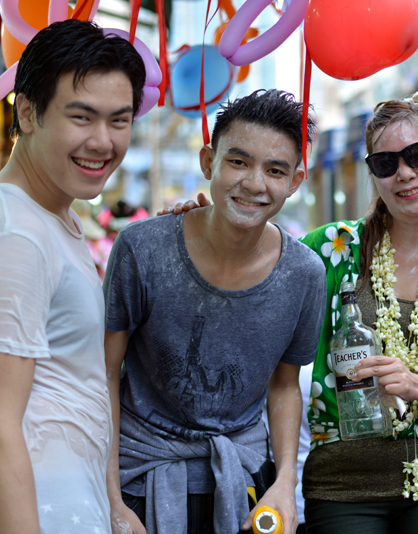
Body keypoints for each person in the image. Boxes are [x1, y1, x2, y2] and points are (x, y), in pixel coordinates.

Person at [103, 89, 326, 534]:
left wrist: (284, 483)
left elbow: (284, 388)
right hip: (139, 476)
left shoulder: (305, 273)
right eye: (238, 162)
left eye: (275, 170)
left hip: (243, 481)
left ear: (296, 181)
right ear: (209, 162)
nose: (254, 183)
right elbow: (104, 374)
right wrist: (110, 498)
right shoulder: (141, 250)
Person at [298, 95, 418, 533]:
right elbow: (254, 251)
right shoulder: (331, 249)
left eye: (417, 155)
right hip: (342, 482)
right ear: (373, 174)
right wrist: (198, 220)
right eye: (385, 163)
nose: (404, 173)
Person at [0, 19, 145, 534]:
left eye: (119, 121)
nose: (103, 142)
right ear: (28, 112)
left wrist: (112, 507)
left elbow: (75, 383)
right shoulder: (15, 231)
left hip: (74, 505)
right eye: (82, 117)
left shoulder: (56, 215)